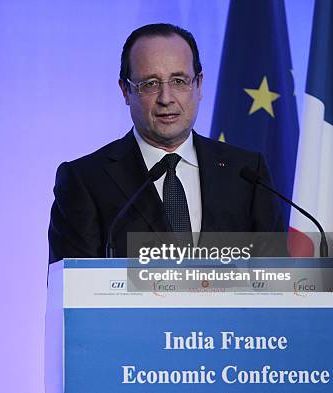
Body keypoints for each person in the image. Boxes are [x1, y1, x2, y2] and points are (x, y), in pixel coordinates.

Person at [48, 23, 283, 264]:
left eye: (179, 81)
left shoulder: (246, 174)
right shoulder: (85, 181)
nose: (166, 98)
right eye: (150, 83)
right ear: (125, 91)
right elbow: (73, 291)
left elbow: (276, 280)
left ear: (199, 85)